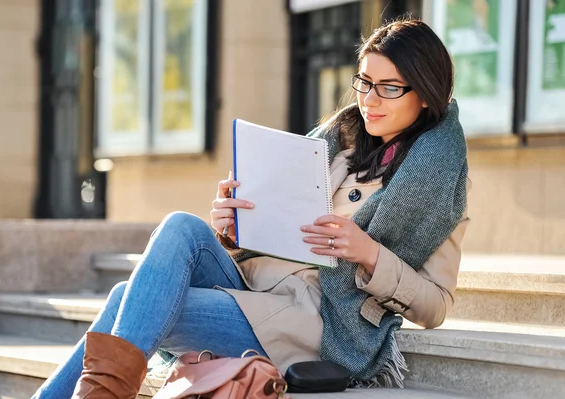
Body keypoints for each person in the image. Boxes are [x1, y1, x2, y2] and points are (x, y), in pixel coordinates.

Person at [32, 18, 470, 399]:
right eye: (363, 82)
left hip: (315, 322)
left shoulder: (438, 182)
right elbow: (282, 232)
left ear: (426, 95)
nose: (369, 100)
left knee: (129, 300)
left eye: (389, 88)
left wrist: (369, 254)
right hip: (254, 287)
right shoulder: (333, 145)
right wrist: (236, 226)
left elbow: (435, 306)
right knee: (182, 226)